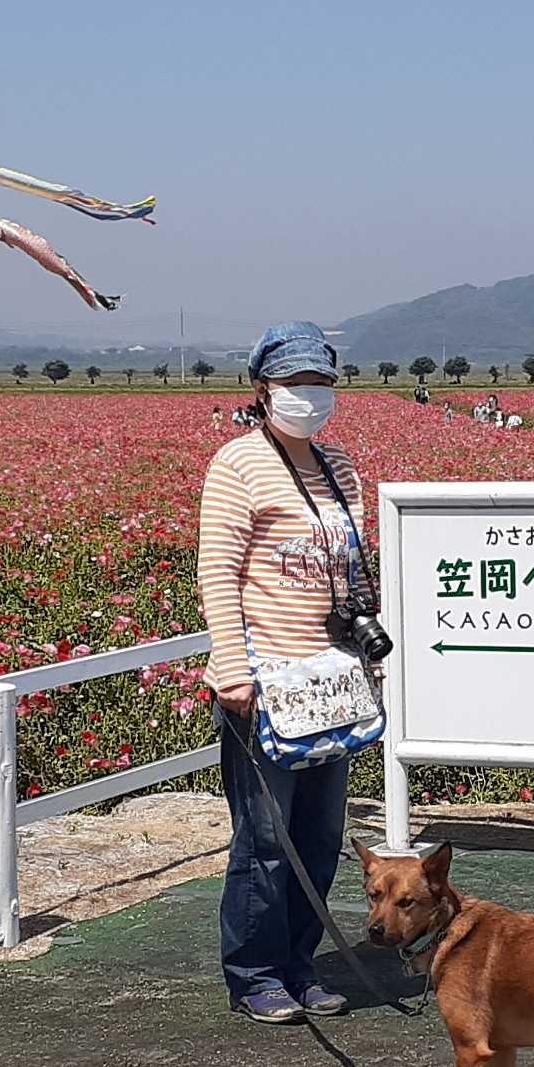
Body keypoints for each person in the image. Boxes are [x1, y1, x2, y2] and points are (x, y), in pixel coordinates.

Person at [198, 321, 365, 1025]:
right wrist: (232, 670)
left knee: (320, 837)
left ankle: (301, 964)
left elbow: (350, 575)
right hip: (263, 682)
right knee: (266, 840)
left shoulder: (341, 469)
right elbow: (219, 570)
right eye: (295, 383)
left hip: (329, 682)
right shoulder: (237, 464)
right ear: (262, 388)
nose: (309, 395)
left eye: (320, 382)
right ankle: (255, 974)